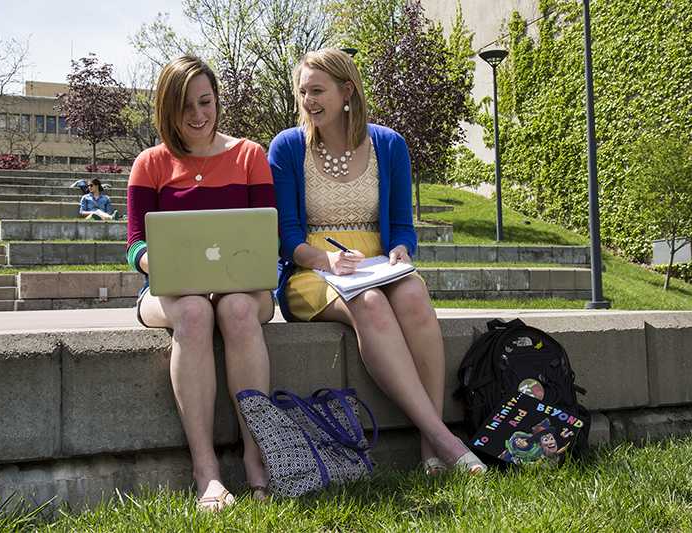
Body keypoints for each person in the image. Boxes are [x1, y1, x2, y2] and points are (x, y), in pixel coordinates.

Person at [269, 48, 487, 476]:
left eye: (317, 91)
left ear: (346, 90)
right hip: (313, 270)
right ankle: (443, 436)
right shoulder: (287, 147)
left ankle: (428, 449)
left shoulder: (389, 144)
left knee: (415, 296)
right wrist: (326, 260)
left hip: (379, 264)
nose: (308, 101)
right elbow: (287, 237)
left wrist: (402, 251)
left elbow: (403, 225)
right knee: (369, 303)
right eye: (302, 92)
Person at [125, 55, 276, 511]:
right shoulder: (149, 164)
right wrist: (158, 261)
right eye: (185, 106)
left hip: (243, 290)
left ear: (217, 101)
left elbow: (266, 237)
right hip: (170, 291)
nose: (197, 115)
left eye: (206, 102)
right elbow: (134, 244)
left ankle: (257, 455)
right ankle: (205, 469)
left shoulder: (251, 155)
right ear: (166, 109)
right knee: (193, 309)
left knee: (235, 308)